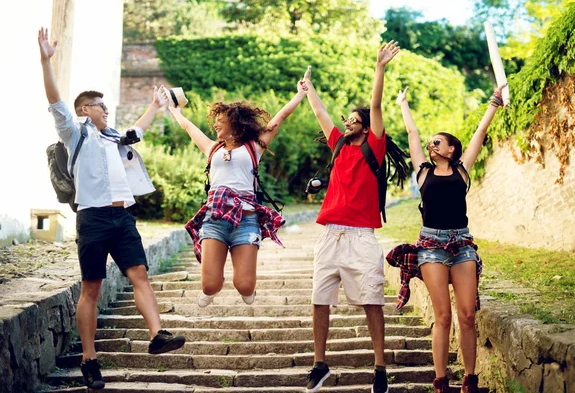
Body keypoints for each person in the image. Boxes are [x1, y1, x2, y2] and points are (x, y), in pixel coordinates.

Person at [38, 27, 186, 390]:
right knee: (92, 287)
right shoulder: (76, 133)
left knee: (139, 274)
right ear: (86, 110)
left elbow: (136, 130)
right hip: (93, 217)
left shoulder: (113, 137)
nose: (107, 108)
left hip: (122, 217)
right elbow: (57, 103)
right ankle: (89, 359)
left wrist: (155, 105)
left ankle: (157, 335)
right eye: (101, 105)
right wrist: (46, 61)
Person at [391, 83, 507, 393]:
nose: (431, 145)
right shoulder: (423, 172)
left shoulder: (462, 170)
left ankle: (470, 379)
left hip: (462, 245)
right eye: (430, 143)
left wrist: (493, 104)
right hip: (431, 247)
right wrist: (403, 104)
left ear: (451, 149)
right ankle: (440, 380)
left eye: (437, 142)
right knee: (443, 316)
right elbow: (412, 136)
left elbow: (479, 135)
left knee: (467, 315)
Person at [302, 41, 400, 393]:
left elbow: (375, 104)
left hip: (361, 236)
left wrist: (380, 67)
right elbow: (320, 113)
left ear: (365, 127)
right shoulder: (339, 145)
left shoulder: (373, 146)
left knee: (372, 301)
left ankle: (380, 368)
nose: (347, 122)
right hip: (330, 234)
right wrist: (308, 89)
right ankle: (320, 364)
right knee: (319, 298)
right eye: (347, 119)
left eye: (354, 120)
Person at [164, 79, 307, 308]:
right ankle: (213, 284)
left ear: (235, 124)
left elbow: (278, 119)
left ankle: (244, 286)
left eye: (220, 122)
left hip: (246, 221)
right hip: (215, 219)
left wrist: (300, 94)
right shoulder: (213, 148)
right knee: (209, 285)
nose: (216, 126)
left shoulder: (254, 146)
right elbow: (189, 128)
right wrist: (174, 110)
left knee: (245, 286)